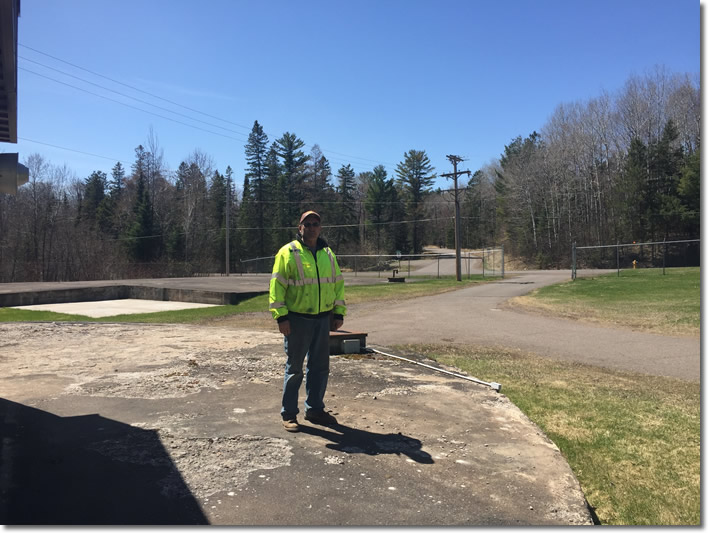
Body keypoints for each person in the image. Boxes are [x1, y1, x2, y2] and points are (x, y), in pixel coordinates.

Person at [269, 210, 346, 432]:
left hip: (322, 320)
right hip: (297, 320)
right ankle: (289, 414)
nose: (312, 227)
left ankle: (315, 409)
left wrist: (338, 313)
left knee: (320, 367)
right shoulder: (288, 253)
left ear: (320, 228)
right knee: (294, 369)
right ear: (299, 227)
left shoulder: (328, 253)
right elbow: (277, 287)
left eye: (316, 223)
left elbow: (337, 284)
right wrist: (281, 317)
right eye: (307, 224)